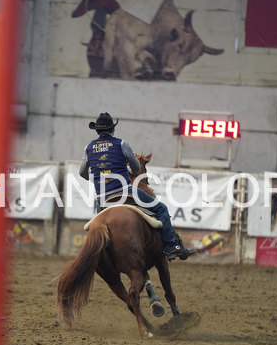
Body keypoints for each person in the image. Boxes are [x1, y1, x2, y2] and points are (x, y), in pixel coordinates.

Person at [78, 112, 195, 261]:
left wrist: (94, 178)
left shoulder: (88, 148)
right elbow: (135, 168)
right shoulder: (121, 144)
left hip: (103, 198)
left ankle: (99, 257)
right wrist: (128, 170)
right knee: (161, 209)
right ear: (113, 129)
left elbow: (82, 172)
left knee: (96, 228)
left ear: (97, 131)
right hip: (126, 192)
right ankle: (171, 246)